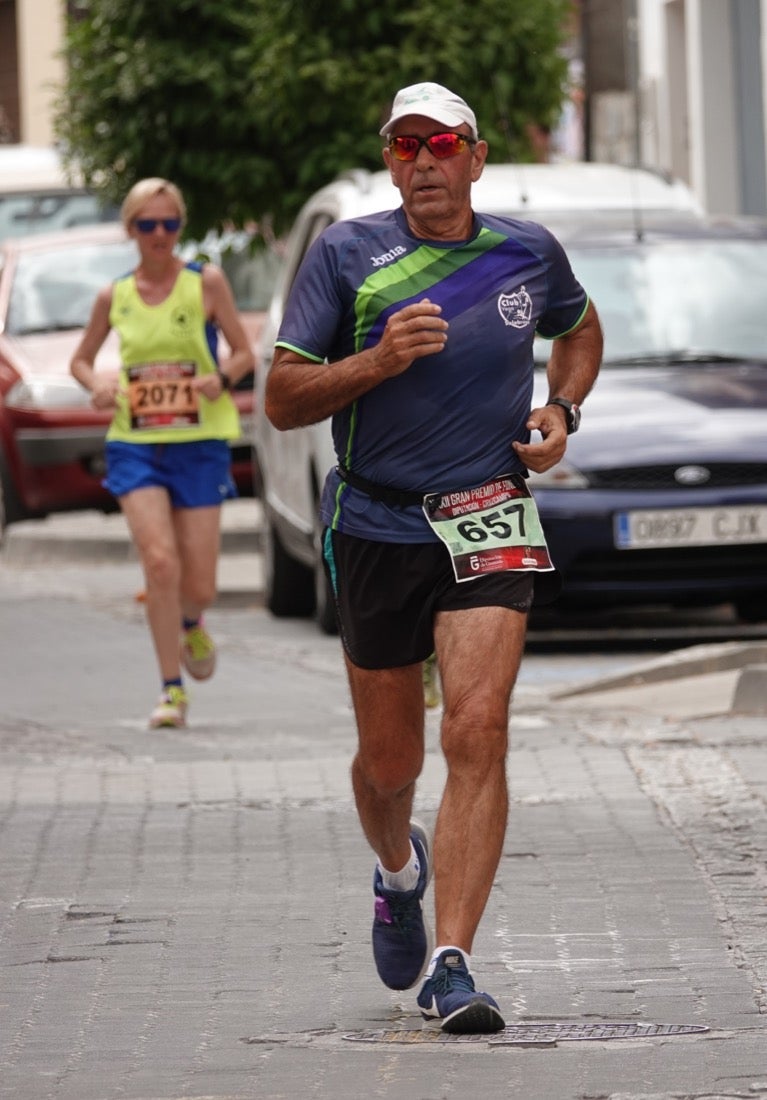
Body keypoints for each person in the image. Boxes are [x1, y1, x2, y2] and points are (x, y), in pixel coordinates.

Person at [265, 82, 603, 1033]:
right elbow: (285, 401)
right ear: (390, 162)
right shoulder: (346, 255)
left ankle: (451, 963)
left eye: (441, 144)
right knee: (388, 762)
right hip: (376, 523)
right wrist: (377, 359)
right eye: (404, 146)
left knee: (477, 729)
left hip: (488, 511)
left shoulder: (526, 252)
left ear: (476, 156)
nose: (423, 162)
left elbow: (577, 329)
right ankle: (396, 870)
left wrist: (559, 411)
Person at [71, 178, 255, 729]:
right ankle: (171, 690)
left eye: (169, 224)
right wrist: (97, 386)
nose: (159, 235)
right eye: (147, 225)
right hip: (136, 444)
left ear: (180, 227)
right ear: (131, 229)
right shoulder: (115, 295)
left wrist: (220, 377)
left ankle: (191, 618)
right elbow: (81, 361)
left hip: (198, 444)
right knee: (159, 563)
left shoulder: (206, 283)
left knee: (198, 585)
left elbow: (246, 353)